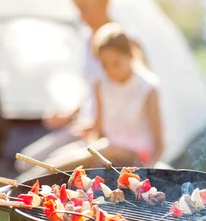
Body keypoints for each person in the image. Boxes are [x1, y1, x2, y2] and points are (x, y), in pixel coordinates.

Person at [15, 0, 148, 173]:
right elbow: (92, 89)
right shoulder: (88, 39)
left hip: (109, 133)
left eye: (85, 9)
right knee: (25, 161)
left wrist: (100, 126)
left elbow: (141, 93)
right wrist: (70, 114)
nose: (81, 16)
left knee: (42, 171)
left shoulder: (126, 42)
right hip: (85, 123)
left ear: (103, 5)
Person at [18, 23, 163, 181]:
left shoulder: (148, 87)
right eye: (105, 65)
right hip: (105, 147)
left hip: (136, 153)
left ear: (130, 56)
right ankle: (29, 177)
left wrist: (148, 169)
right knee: (64, 154)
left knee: (103, 149)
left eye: (116, 63)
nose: (110, 70)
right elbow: (98, 130)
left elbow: (159, 141)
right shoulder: (101, 83)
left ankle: (26, 182)